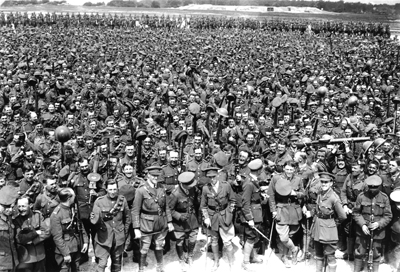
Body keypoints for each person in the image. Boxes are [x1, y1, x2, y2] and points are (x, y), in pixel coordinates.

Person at [131, 166, 174, 272]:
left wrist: (169, 221)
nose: (155, 177)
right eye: (153, 175)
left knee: (160, 246)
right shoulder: (141, 190)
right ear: (148, 176)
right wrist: (136, 228)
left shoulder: (161, 187)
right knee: (144, 248)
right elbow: (135, 210)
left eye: (157, 175)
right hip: (146, 224)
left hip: (160, 223)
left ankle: (160, 267)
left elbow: (166, 207)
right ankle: (141, 269)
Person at [267, 160, 304, 268]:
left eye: (291, 169)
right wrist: (273, 210)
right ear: (283, 168)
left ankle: (284, 256)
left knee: (291, 235)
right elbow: (271, 195)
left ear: (295, 169)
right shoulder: (276, 178)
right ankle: (294, 249)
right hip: (281, 209)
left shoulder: (298, 179)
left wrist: (296, 193)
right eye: (287, 169)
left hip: (293, 209)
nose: (289, 171)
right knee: (283, 237)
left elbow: (303, 194)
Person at [353, 175, 393, 272]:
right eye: (371, 187)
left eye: (375, 187)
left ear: (379, 186)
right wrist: (362, 224)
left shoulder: (384, 198)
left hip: (377, 232)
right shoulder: (361, 196)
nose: (373, 189)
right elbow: (356, 213)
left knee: (375, 253)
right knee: (360, 252)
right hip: (363, 230)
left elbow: (388, 215)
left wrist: (379, 224)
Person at [90, 180, 131, 272]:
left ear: (117, 189)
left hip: (118, 237)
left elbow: (127, 218)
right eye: (110, 189)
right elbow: (93, 221)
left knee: (117, 265)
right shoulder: (99, 201)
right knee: (102, 264)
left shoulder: (122, 200)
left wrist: (124, 233)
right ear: (106, 189)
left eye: (114, 189)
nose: (113, 192)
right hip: (103, 238)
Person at [200, 167, 236, 271]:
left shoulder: (226, 185)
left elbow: (232, 200)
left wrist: (229, 212)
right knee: (214, 240)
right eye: (210, 177)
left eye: (214, 176)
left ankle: (231, 263)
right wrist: (206, 217)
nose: (212, 179)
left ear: (218, 175)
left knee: (227, 241)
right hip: (212, 217)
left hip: (225, 215)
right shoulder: (205, 188)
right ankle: (216, 261)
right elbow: (203, 206)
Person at [310, 172, 347, 272]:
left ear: (331, 183)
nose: (324, 184)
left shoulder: (334, 197)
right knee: (318, 253)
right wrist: (311, 213)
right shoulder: (320, 193)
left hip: (329, 229)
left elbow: (343, 216)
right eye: (322, 182)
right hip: (317, 226)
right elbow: (317, 208)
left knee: (330, 254)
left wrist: (333, 224)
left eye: (326, 182)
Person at [50, 187, 89, 272]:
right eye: (74, 196)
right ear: (69, 198)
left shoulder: (73, 208)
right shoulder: (56, 214)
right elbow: (57, 237)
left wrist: (85, 241)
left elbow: (80, 225)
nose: (75, 197)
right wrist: (66, 254)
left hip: (76, 245)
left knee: (76, 268)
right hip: (64, 250)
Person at [168, 171, 199, 271]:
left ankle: (189, 256)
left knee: (193, 239)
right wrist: (179, 216)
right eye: (189, 185)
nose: (191, 186)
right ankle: (181, 259)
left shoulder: (193, 189)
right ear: (183, 184)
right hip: (180, 223)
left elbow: (196, 203)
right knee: (180, 241)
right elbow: (170, 210)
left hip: (192, 220)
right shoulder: (175, 194)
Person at [13, 196, 49, 272]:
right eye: (19, 206)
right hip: (26, 258)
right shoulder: (16, 220)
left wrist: (33, 241)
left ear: (31, 205)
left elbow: (46, 232)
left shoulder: (38, 215)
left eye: (23, 206)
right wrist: (36, 232)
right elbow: (19, 238)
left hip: (40, 255)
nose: (21, 209)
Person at [241, 159, 264, 270]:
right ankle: (245, 262)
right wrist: (249, 218)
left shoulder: (254, 180)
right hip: (252, 214)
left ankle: (253, 257)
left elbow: (254, 197)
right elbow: (245, 203)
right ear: (258, 170)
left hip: (257, 212)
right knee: (250, 237)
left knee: (255, 237)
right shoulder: (249, 183)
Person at [0, 184, 20, 272]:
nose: (10, 210)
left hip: (12, 260)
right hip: (2, 263)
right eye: (7, 207)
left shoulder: (8, 217)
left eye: (12, 206)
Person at [389, 189, 400, 272]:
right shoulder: (393, 207)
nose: (398, 206)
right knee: (396, 248)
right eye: (396, 203)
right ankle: (396, 267)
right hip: (396, 231)